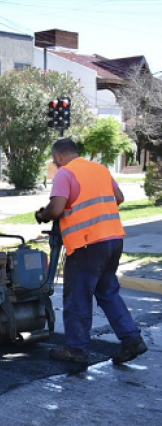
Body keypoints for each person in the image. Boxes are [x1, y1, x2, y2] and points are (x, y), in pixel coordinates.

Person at [35, 138, 147, 365]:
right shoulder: (101, 169)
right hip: (113, 240)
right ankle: (131, 340)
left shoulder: (65, 174)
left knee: (77, 298)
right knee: (108, 293)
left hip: (87, 245)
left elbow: (56, 208)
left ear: (58, 157)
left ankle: (76, 350)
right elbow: (119, 198)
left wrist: (42, 214)